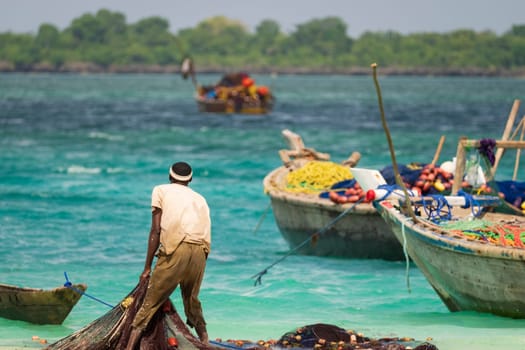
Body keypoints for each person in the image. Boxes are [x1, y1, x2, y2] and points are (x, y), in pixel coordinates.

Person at [126, 161, 211, 349]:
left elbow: (155, 231)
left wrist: (147, 267)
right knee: (191, 299)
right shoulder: (200, 198)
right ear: (190, 179)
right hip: (200, 251)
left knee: (151, 300)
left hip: (176, 248)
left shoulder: (161, 190)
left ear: (170, 176)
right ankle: (204, 341)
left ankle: (129, 345)